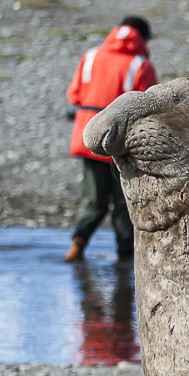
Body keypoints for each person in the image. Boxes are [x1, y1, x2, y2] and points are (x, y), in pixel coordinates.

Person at [64, 15, 158, 262]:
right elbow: (148, 106)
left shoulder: (91, 56)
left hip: (88, 135)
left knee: (93, 198)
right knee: (124, 200)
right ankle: (127, 259)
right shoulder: (141, 65)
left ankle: (77, 247)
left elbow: (74, 95)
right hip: (121, 141)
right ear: (142, 37)